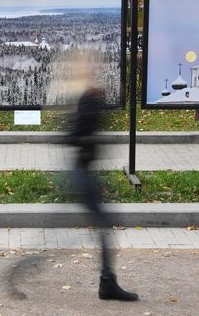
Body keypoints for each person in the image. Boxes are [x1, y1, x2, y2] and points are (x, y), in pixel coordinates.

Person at [67, 59, 139, 302]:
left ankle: (107, 282)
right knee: (105, 224)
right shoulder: (87, 99)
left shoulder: (89, 98)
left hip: (84, 172)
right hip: (81, 174)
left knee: (105, 224)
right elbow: (73, 136)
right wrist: (91, 141)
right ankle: (107, 284)